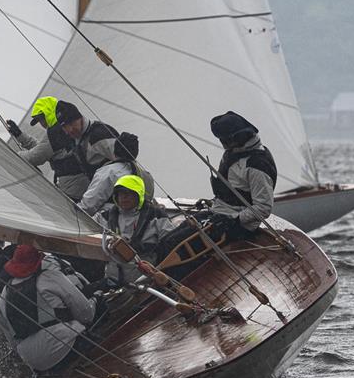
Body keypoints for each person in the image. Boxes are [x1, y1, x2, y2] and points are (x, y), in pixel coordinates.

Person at [162, 111, 278, 252]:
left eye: (224, 140)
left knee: (173, 246)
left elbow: (263, 207)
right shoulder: (234, 153)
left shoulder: (256, 166)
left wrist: (234, 220)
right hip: (219, 213)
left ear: (237, 138)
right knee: (167, 240)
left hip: (237, 225)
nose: (222, 144)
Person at [0, 245, 97, 373]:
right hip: (67, 346)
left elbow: (11, 340)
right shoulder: (50, 277)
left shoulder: (4, 294)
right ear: (39, 261)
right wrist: (95, 300)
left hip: (34, 361)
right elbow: (86, 314)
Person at [92, 175, 176, 285]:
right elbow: (84, 230)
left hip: (146, 281)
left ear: (138, 195)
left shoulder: (156, 216)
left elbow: (172, 241)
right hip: (112, 280)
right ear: (115, 196)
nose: (124, 197)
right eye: (121, 193)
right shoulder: (103, 217)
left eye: (129, 193)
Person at [6, 97, 90, 201]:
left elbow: (34, 157)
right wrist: (20, 136)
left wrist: (10, 154)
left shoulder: (55, 132)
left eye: (42, 118)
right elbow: (45, 149)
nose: (42, 124)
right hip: (85, 184)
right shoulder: (64, 126)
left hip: (74, 191)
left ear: (49, 113)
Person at [77, 132, 156, 215]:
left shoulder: (109, 172)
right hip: (140, 222)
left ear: (114, 151)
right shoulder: (147, 177)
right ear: (136, 153)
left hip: (113, 222)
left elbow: (89, 205)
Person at [54, 101, 119, 184]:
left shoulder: (100, 135)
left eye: (71, 123)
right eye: (65, 127)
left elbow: (125, 162)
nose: (70, 130)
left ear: (79, 117)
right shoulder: (74, 140)